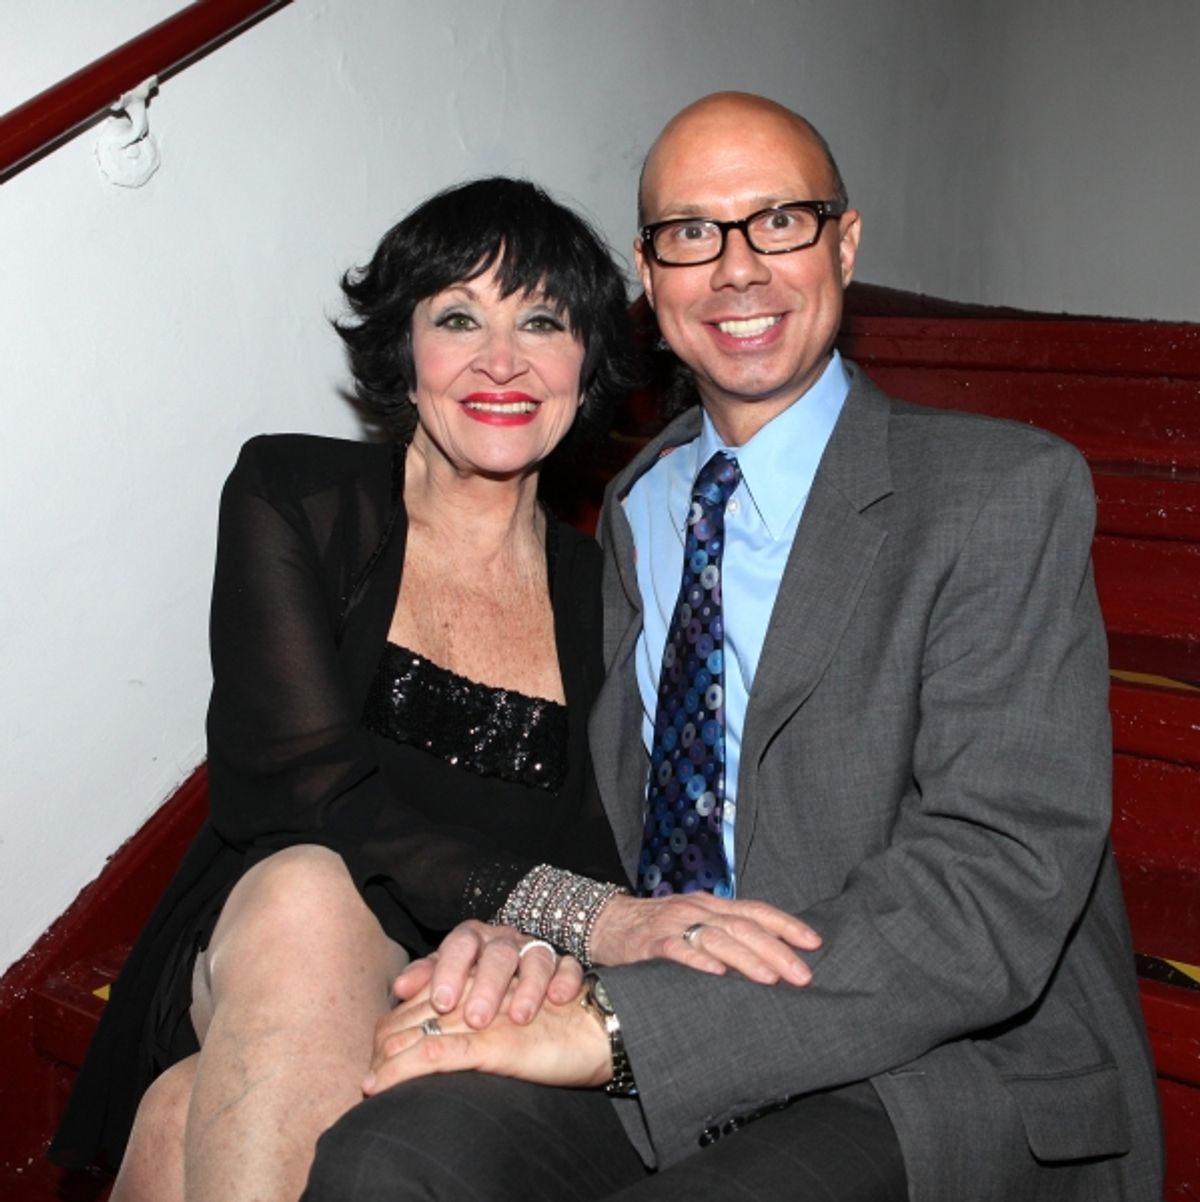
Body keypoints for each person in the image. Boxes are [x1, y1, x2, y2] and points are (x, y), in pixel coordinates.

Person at [303, 94, 1163, 1201]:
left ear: (845, 244)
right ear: (648, 281)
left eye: (780, 222)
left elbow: (996, 882)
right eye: (692, 234)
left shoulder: (1000, 489)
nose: (738, 268)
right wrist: (528, 940)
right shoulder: (634, 506)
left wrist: (620, 1023)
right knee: (386, 1157)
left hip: (938, 1058)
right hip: (684, 1024)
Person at [50, 175, 823, 1202]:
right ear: (404, 357)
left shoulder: (611, 588)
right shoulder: (299, 497)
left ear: (585, 362)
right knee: (307, 890)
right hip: (273, 940)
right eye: (458, 317)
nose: (500, 360)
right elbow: (296, 791)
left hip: (483, 965)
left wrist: (539, 933)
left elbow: (619, 830)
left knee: (183, 1113)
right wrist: (588, 915)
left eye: (541, 321)